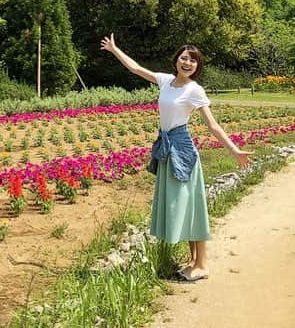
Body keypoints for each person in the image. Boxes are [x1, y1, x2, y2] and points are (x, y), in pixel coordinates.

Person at [101, 33, 252, 281]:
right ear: (176, 61)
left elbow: (212, 125)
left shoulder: (195, 90)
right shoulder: (165, 81)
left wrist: (234, 150)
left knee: (192, 206)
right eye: (184, 58)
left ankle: (202, 264)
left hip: (182, 149)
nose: (188, 63)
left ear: (197, 66)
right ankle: (194, 261)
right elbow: (136, 68)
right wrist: (115, 50)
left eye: (193, 61)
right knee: (183, 205)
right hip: (166, 146)